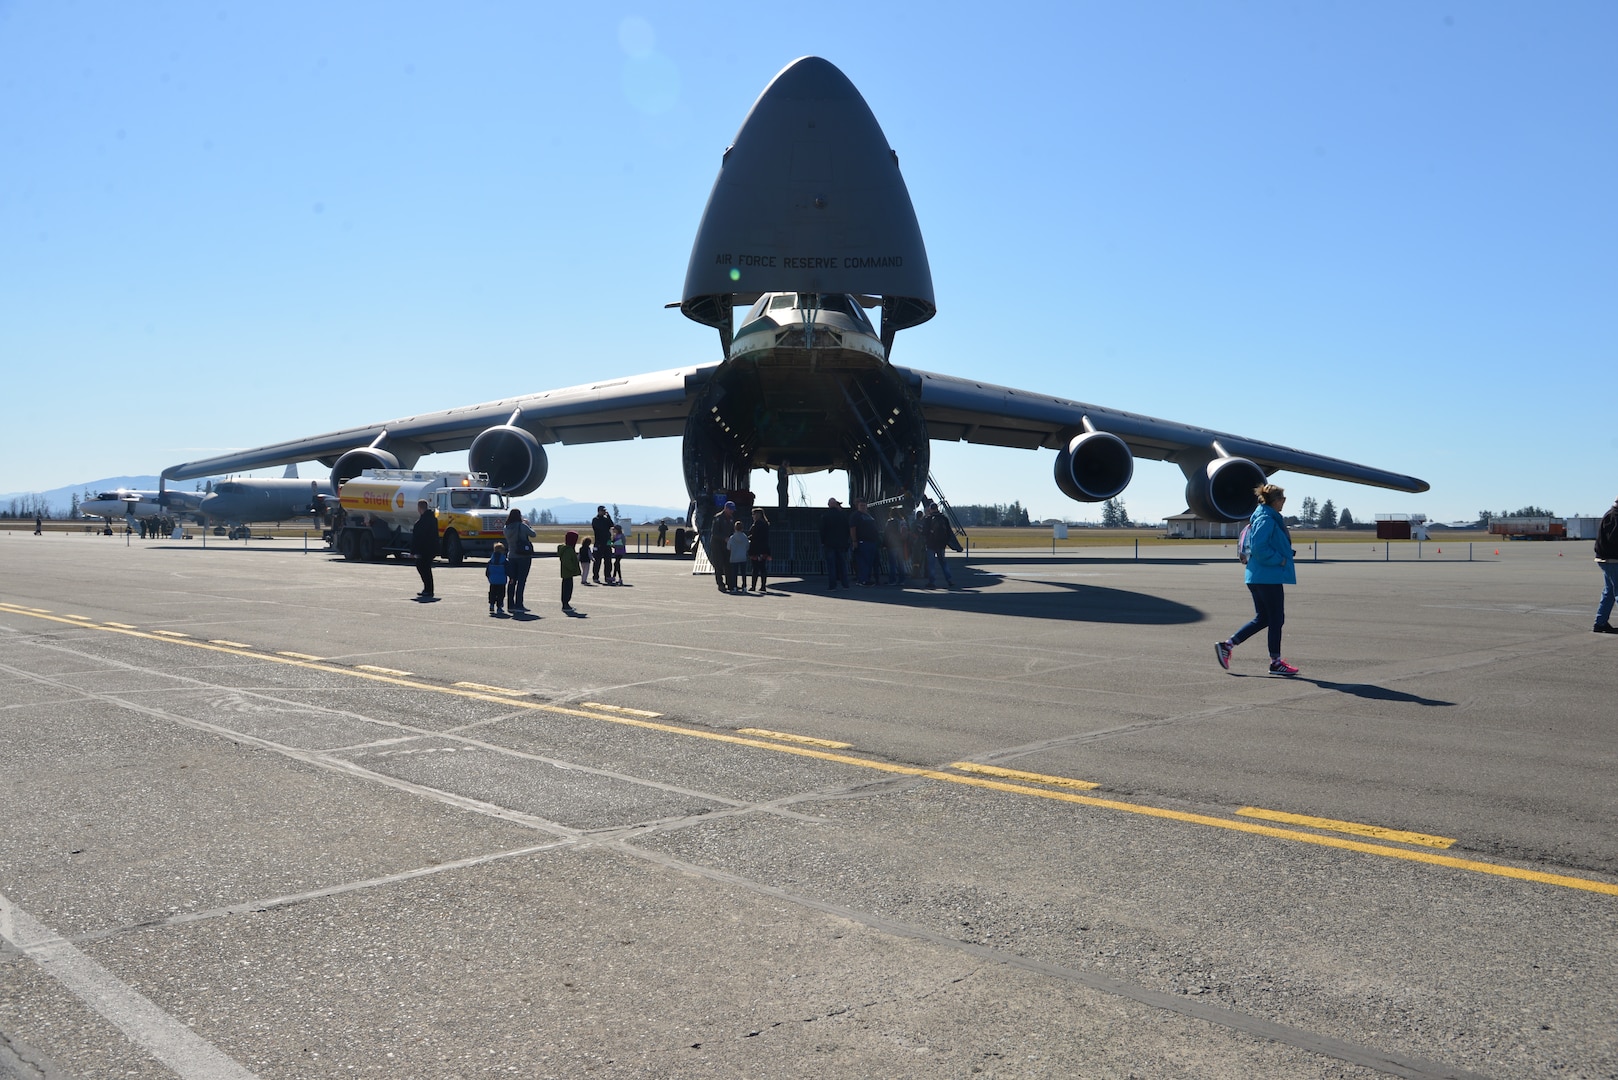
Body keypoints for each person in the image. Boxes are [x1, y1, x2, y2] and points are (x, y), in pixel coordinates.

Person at [1215, 484, 1299, 675]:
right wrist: (1282, 559)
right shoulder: (1266, 519)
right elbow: (1260, 548)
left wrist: (1284, 552)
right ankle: (1276, 662)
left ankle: (1227, 645)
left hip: (1259, 575)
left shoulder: (1264, 517)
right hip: (1267, 577)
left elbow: (1265, 545)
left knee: (1264, 618)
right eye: (1282, 498)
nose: (1284, 502)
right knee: (1276, 619)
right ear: (1274, 500)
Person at [502, 509, 536, 612]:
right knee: (521, 581)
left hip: (511, 556)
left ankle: (510, 605)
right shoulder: (522, 526)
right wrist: (527, 525)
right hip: (523, 557)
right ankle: (519, 604)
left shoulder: (506, 528)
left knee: (512, 581)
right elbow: (533, 534)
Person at [1593, 496, 1618, 633]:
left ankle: (1600, 622)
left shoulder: (1608, 515)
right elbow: (1614, 540)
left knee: (1609, 592)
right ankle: (1600, 622)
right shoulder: (1615, 518)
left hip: (1604, 559)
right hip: (1614, 560)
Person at [922, 500, 958, 588]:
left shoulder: (928, 519)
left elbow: (924, 532)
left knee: (931, 564)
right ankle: (949, 580)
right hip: (941, 544)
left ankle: (932, 582)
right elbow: (949, 532)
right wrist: (945, 542)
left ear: (930, 509)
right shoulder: (944, 518)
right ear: (937, 508)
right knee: (943, 563)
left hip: (931, 544)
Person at [819, 497, 852, 590]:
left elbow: (822, 530)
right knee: (842, 564)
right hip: (841, 544)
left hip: (829, 544)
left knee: (831, 565)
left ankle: (832, 585)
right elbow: (847, 529)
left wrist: (823, 542)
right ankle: (845, 584)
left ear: (829, 505)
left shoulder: (825, 516)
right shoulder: (843, 515)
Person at [410, 499, 438, 598]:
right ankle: (428, 589)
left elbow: (417, 539)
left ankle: (428, 589)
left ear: (419, 508)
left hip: (423, 549)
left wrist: (413, 552)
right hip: (431, 548)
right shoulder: (433, 519)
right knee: (426, 569)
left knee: (423, 568)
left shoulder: (421, 522)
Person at [851, 499, 881, 586]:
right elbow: (853, 528)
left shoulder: (869, 515)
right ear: (858, 506)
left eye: (864, 505)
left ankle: (867, 579)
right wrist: (854, 540)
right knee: (863, 562)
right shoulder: (855, 516)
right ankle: (862, 580)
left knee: (870, 562)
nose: (863, 507)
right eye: (861, 506)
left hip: (872, 542)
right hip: (862, 541)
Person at [710, 501, 738, 592]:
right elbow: (714, 533)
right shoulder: (718, 518)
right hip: (717, 544)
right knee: (718, 565)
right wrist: (724, 538)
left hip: (727, 544)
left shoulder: (731, 518)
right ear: (726, 508)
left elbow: (732, 531)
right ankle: (720, 584)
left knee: (728, 564)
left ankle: (730, 584)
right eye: (730, 510)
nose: (732, 512)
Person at [747, 507, 773, 592]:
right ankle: (763, 586)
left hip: (756, 549)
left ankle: (753, 586)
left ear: (758, 515)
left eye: (753, 514)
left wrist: (749, 538)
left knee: (755, 568)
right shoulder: (765, 524)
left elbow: (754, 536)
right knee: (762, 568)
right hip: (764, 549)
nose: (752, 516)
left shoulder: (757, 524)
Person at [884, 507, 910, 587]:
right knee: (901, 563)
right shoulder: (903, 522)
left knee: (892, 564)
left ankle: (892, 580)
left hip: (892, 545)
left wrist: (885, 544)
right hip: (901, 545)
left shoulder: (890, 522)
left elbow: (886, 534)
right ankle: (902, 580)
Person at [557, 530, 582, 612]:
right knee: (567, 589)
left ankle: (566, 603)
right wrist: (573, 569)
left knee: (567, 588)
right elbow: (567, 561)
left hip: (567, 573)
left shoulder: (568, 549)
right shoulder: (568, 550)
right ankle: (565, 604)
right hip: (568, 573)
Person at [725, 519, 750, 594]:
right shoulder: (745, 537)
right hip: (742, 557)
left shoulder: (732, 537)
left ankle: (734, 587)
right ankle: (744, 586)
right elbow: (747, 546)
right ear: (742, 528)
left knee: (734, 573)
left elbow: (728, 547)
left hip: (734, 557)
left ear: (735, 528)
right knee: (743, 573)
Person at [590, 506, 613, 583]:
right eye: (602, 511)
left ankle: (608, 576)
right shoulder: (595, 520)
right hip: (599, 543)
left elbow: (611, 525)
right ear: (599, 511)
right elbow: (599, 528)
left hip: (607, 542)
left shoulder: (606, 519)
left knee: (608, 561)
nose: (604, 512)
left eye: (604, 511)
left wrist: (608, 516)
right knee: (597, 561)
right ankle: (595, 576)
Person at [485, 542, 509, 616]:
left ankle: (491, 604)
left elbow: (487, 572)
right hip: (502, 581)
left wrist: (489, 577)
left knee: (492, 592)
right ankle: (499, 606)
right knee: (501, 594)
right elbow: (508, 570)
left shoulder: (491, 561)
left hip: (493, 580)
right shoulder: (504, 561)